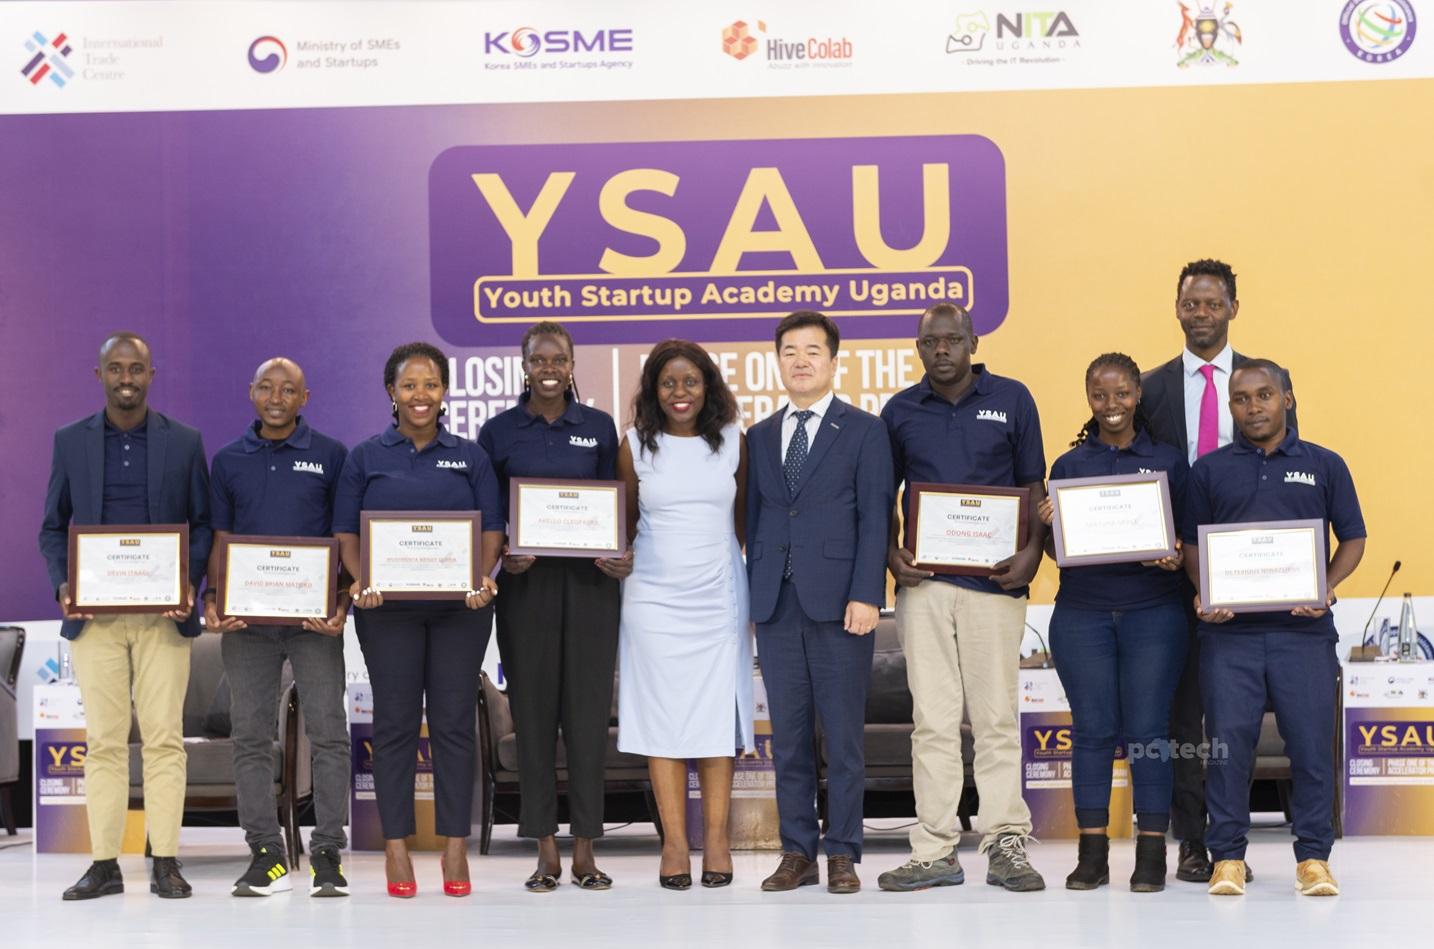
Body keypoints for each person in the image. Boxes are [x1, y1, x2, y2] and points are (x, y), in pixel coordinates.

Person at [877, 302, 1048, 893]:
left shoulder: (1014, 398)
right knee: (933, 722)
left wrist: (1030, 553)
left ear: (973, 342)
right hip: (924, 587)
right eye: (931, 342)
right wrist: (890, 552)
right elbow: (882, 495)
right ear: (919, 348)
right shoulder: (899, 410)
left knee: (997, 717)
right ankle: (934, 850)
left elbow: (1033, 484)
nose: (942, 350)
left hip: (996, 585)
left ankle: (1006, 844)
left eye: (953, 340)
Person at [38, 332, 211, 900]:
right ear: (100, 375)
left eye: (136, 367)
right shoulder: (70, 441)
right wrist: (65, 583)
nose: (126, 377)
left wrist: (189, 581)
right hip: (96, 618)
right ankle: (104, 863)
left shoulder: (184, 442)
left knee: (164, 741)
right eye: (116, 368)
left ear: (151, 374)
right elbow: (50, 526)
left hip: (164, 615)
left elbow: (203, 525)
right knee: (106, 741)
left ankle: (165, 859)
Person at [1140, 258, 1297, 883]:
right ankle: (1193, 842)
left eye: (1212, 303)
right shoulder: (1147, 389)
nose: (1200, 313)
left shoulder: (1268, 379)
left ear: (1233, 307)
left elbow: (1284, 470)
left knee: (1236, 711)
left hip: (1250, 573)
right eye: (1190, 303)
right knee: (1183, 716)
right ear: (1176, 308)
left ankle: (1235, 839)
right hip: (1166, 574)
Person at [1183, 360, 1364, 897]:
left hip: (1303, 635)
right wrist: (1204, 592)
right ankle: (1228, 860)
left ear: (1287, 398)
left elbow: (1353, 538)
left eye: (1265, 395)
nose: (1253, 406)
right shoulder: (1209, 471)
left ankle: (1313, 859)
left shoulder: (1325, 464)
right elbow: (1193, 546)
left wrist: (1325, 586)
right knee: (1228, 750)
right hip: (1228, 638)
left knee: (1310, 748)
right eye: (1242, 399)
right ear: (1231, 407)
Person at [333, 341, 504, 898]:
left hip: (461, 613)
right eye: (409, 385)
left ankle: (456, 845)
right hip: (389, 616)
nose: (420, 395)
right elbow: (347, 535)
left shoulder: (470, 455)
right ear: (391, 392)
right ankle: (397, 848)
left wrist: (481, 578)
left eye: (430, 384)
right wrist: (361, 581)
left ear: (444, 391)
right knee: (396, 726)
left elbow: (493, 532)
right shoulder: (365, 457)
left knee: (455, 724)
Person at [477, 321, 628, 892]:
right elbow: (491, 517)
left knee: (588, 719)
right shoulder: (498, 432)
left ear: (572, 365)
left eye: (558, 359)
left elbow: (616, 510)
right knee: (535, 717)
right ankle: (544, 851)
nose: (548, 367)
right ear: (524, 365)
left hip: (591, 589)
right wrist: (503, 557)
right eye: (538, 358)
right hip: (527, 589)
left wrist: (618, 553)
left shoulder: (598, 426)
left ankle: (586, 850)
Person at [747, 311, 893, 895]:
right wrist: (756, 598)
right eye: (789, 351)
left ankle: (843, 853)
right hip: (777, 605)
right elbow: (756, 519)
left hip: (841, 606)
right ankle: (796, 851)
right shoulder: (759, 436)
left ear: (834, 361)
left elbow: (876, 515)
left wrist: (866, 594)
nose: (800, 360)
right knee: (788, 738)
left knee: (843, 737)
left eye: (812, 350)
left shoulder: (863, 429)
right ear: (776, 360)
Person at [1036, 353, 1189, 892]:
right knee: (1093, 732)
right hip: (1083, 615)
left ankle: (1151, 854)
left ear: (1138, 394)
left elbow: (1188, 539)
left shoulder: (1169, 460)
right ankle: (1092, 853)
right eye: (1100, 395)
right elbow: (1059, 553)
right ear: (1088, 398)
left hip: (1155, 613)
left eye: (1122, 393)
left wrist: (1173, 554)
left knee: (1148, 733)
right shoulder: (1069, 466)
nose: (1112, 405)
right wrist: (1051, 529)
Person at [206, 357, 352, 897]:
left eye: (287, 389)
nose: (275, 396)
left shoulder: (331, 456)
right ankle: (266, 853)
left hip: (313, 624)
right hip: (248, 625)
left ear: (304, 397)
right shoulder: (228, 461)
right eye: (265, 386)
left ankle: (327, 853)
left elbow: (343, 539)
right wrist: (216, 597)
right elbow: (220, 539)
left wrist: (340, 602)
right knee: (249, 737)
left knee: (330, 735)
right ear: (251, 392)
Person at [615, 339, 752, 891]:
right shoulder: (631, 446)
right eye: (668, 383)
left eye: (690, 382)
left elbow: (744, 527)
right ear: (653, 390)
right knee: (662, 721)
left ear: (708, 387)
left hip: (719, 597)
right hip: (651, 600)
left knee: (718, 721)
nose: (679, 392)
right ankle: (674, 843)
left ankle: (716, 839)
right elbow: (620, 525)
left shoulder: (736, 443)